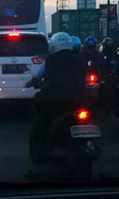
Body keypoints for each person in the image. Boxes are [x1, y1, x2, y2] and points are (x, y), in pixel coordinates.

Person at [25, 32, 87, 171]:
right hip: (78, 101)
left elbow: (36, 77)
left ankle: (37, 160)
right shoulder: (81, 59)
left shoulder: (50, 60)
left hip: (54, 102)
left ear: (53, 46)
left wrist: (30, 83)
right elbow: (86, 79)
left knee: (39, 126)